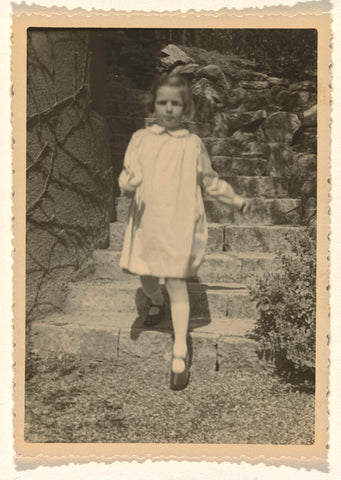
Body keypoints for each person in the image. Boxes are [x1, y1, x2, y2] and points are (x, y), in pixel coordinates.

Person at [118, 74, 248, 390]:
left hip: (178, 222)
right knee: (147, 277)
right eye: (163, 102)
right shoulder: (140, 139)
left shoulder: (192, 144)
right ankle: (155, 300)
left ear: (185, 107)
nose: (169, 108)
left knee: (177, 282)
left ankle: (179, 352)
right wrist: (128, 184)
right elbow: (126, 176)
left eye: (176, 103)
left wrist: (235, 199)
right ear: (154, 104)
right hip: (149, 223)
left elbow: (210, 180)